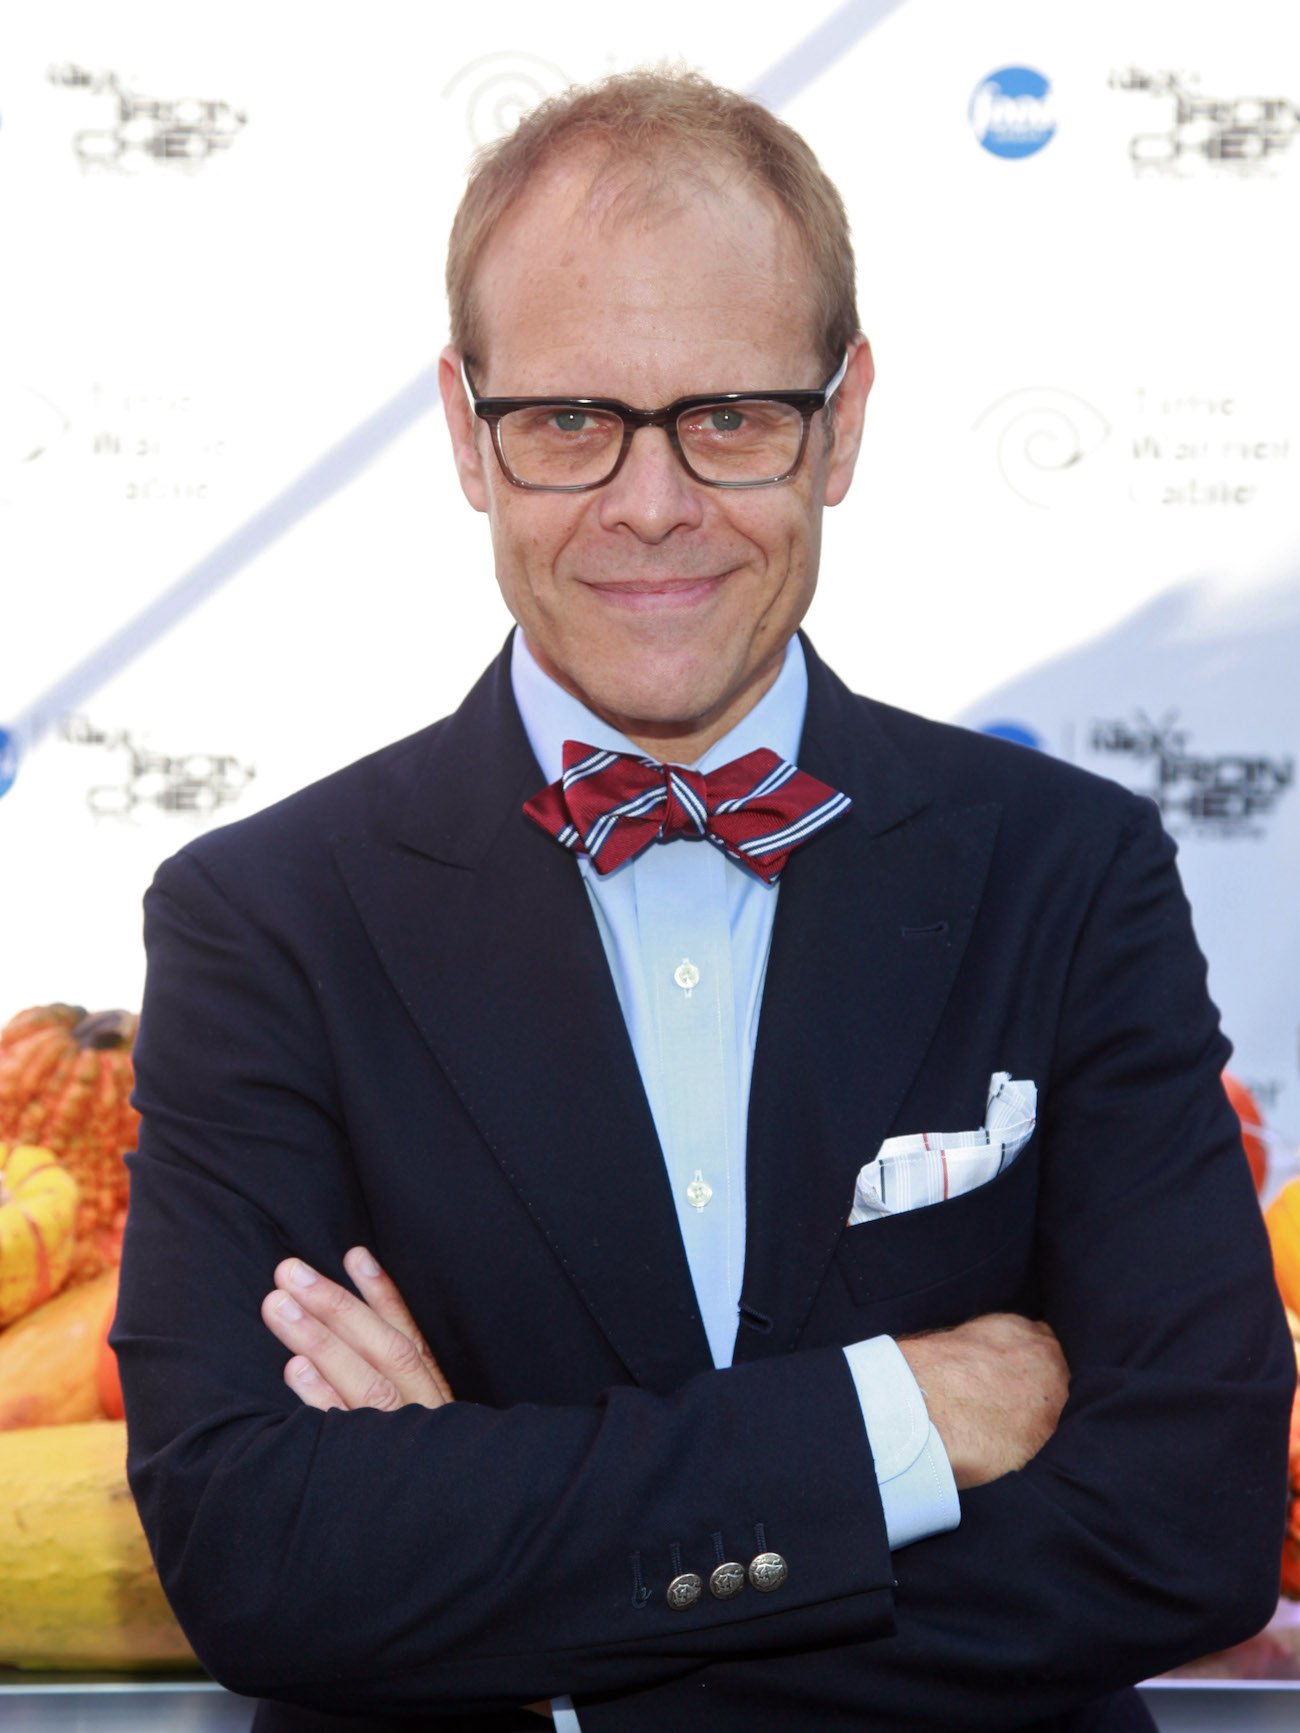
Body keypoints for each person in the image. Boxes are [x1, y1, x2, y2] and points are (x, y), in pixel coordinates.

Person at [116, 69, 1294, 1733]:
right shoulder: (268, 919)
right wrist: (892, 1420)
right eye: (570, 421)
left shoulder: (1068, 869)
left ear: (846, 420)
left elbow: (1190, 1520)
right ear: (467, 432)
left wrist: (496, 1576)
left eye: (730, 415)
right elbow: (257, 1549)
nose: (652, 502)